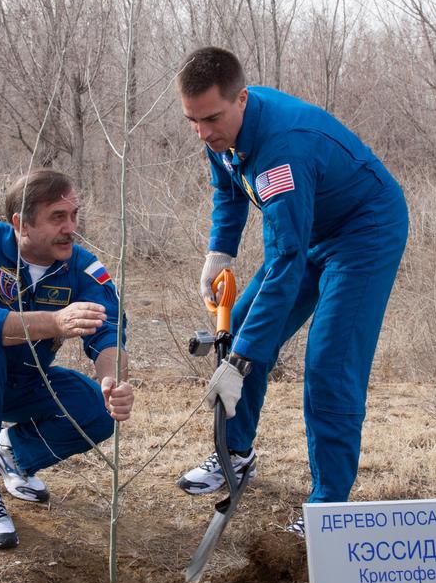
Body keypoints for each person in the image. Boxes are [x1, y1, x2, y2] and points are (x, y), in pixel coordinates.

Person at [175, 46, 409, 537]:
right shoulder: (219, 131)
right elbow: (228, 187)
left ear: (242, 99)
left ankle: (328, 507)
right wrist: (219, 252)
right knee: (238, 325)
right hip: (311, 227)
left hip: (363, 232)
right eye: (193, 120)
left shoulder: (283, 150)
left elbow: (285, 261)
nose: (203, 132)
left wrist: (240, 362)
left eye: (212, 118)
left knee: (329, 362)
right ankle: (235, 454)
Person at [0, 169, 134, 549]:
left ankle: (14, 454)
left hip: (25, 380)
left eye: (74, 215)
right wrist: (53, 322)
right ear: (21, 222)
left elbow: (109, 329)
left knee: (96, 410)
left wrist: (111, 379)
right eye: (58, 217)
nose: (71, 227)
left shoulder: (82, 267)